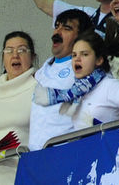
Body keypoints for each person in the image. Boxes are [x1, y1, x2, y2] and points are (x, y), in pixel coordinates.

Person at [0, 32, 38, 185]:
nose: (15, 55)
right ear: (3, 58)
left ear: (32, 57)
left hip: (27, 173)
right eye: (9, 50)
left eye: (22, 50)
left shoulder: (39, 88)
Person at [34, 31, 119, 130]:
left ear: (99, 60)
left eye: (84, 54)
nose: (77, 59)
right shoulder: (75, 93)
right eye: (74, 55)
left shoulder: (111, 86)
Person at [28, 9, 93, 150]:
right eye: (56, 26)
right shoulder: (45, 67)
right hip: (35, 154)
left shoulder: (85, 67)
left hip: (66, 151)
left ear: (81, 37)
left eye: (66, 28)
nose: (57, 33)